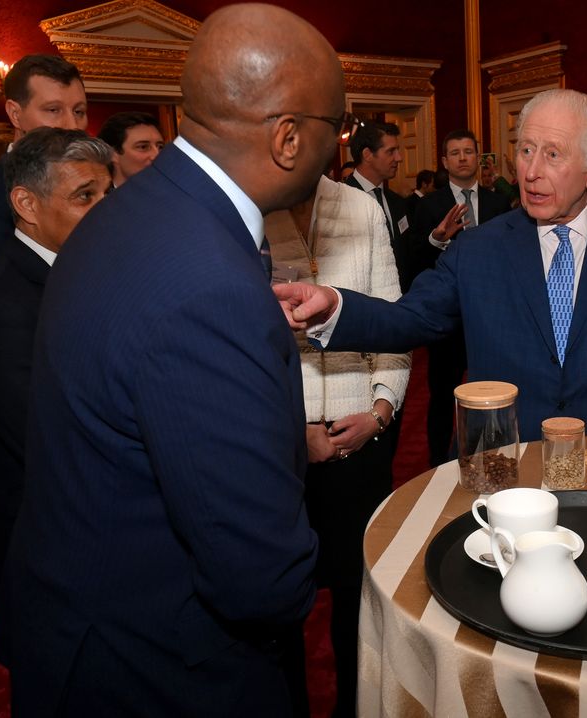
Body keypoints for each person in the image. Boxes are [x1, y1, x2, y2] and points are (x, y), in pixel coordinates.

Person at [0, 5, 347, 715]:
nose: (337, 146)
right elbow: (258, 577)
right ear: (286, 138)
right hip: (153, 666)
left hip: (82, 613)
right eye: (333, 128)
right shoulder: (207, 280)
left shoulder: (132, 208)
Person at [276, 88, 587, 441]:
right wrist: (334, 306)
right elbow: (408, 319)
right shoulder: (477, 250)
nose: (532, 171)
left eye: (553, 154)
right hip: (500, 465)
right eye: (525, 150)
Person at [265, 174, 409, 717]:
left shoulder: (360, 208)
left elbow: (394, 321)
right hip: (279, 453)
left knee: (360, 596)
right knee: (278, 604)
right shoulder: (251, 209)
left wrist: (381, 410)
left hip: (360, 440)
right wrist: (288, 432)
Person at [0, 128, 111, 604]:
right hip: (47, 549)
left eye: (106, 193)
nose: (106, 210)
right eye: (84, 196)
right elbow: (45, 440)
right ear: (27, 205)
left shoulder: (87, 268)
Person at [409, 130, 513, 464]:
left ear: (478, 157)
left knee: (493, 392)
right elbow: (413, 262)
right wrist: (437, 239)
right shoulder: (427, 206)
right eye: (455, 153)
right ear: (444, 161)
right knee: (442, 396)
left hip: (492, 316)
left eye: (469, 151)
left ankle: (494, 456)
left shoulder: (499, 203)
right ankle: (438, 464)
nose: (463, 158)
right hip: (448, 318)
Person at [0, 54, 87, 281]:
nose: (72, 125)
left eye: (78, 111)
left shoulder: (99, 187)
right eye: (53, 110)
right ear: (15, 114)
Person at [345, 121, 410, 289]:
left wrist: (435, 239)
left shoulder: (398, 202)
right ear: (367, 154)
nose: (399, 158)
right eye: (391, 152)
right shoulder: (340, 201)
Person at [97, 110, 165, 186]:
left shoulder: (171, 194)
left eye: (160, 147)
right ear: (113, 153)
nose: (156, 155)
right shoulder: (101, 197)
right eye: (143, 147)